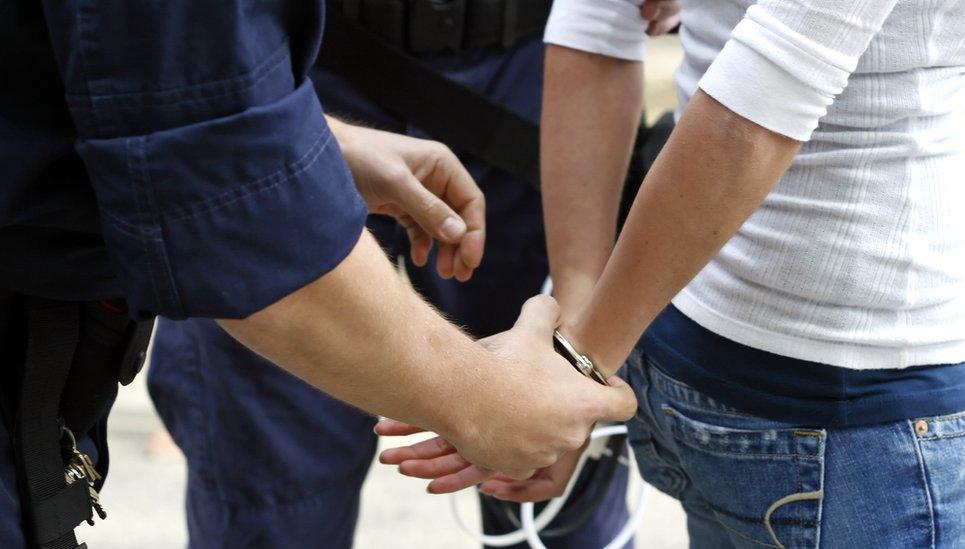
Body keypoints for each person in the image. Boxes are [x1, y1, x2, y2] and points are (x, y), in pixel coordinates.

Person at [0, 2, 638, 547]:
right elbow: (237, 219)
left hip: (522, 74)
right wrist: (478, 398)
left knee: (571, 501)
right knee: (271, 500)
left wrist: (308, 140)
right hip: (285, 67)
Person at [382, 0, 965, 547]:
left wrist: (577, 344)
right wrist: (577, 364)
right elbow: (762, 100)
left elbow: (595, 18)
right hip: (846, 398)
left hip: (687, 353)